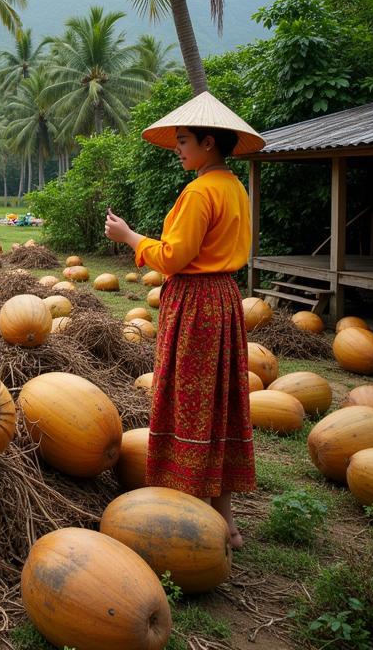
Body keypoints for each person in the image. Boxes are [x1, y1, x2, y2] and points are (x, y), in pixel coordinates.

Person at [104, 91, 264, 549]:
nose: (178, 148)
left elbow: (174, 258)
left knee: (188, 405)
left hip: (195, 303)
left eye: (184, 140)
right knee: (220, 407)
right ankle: (227, 523)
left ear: (208, 142)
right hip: (225, 299)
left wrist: (128, 235)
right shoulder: (234, 187)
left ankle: (190, 526)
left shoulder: (199, 192)